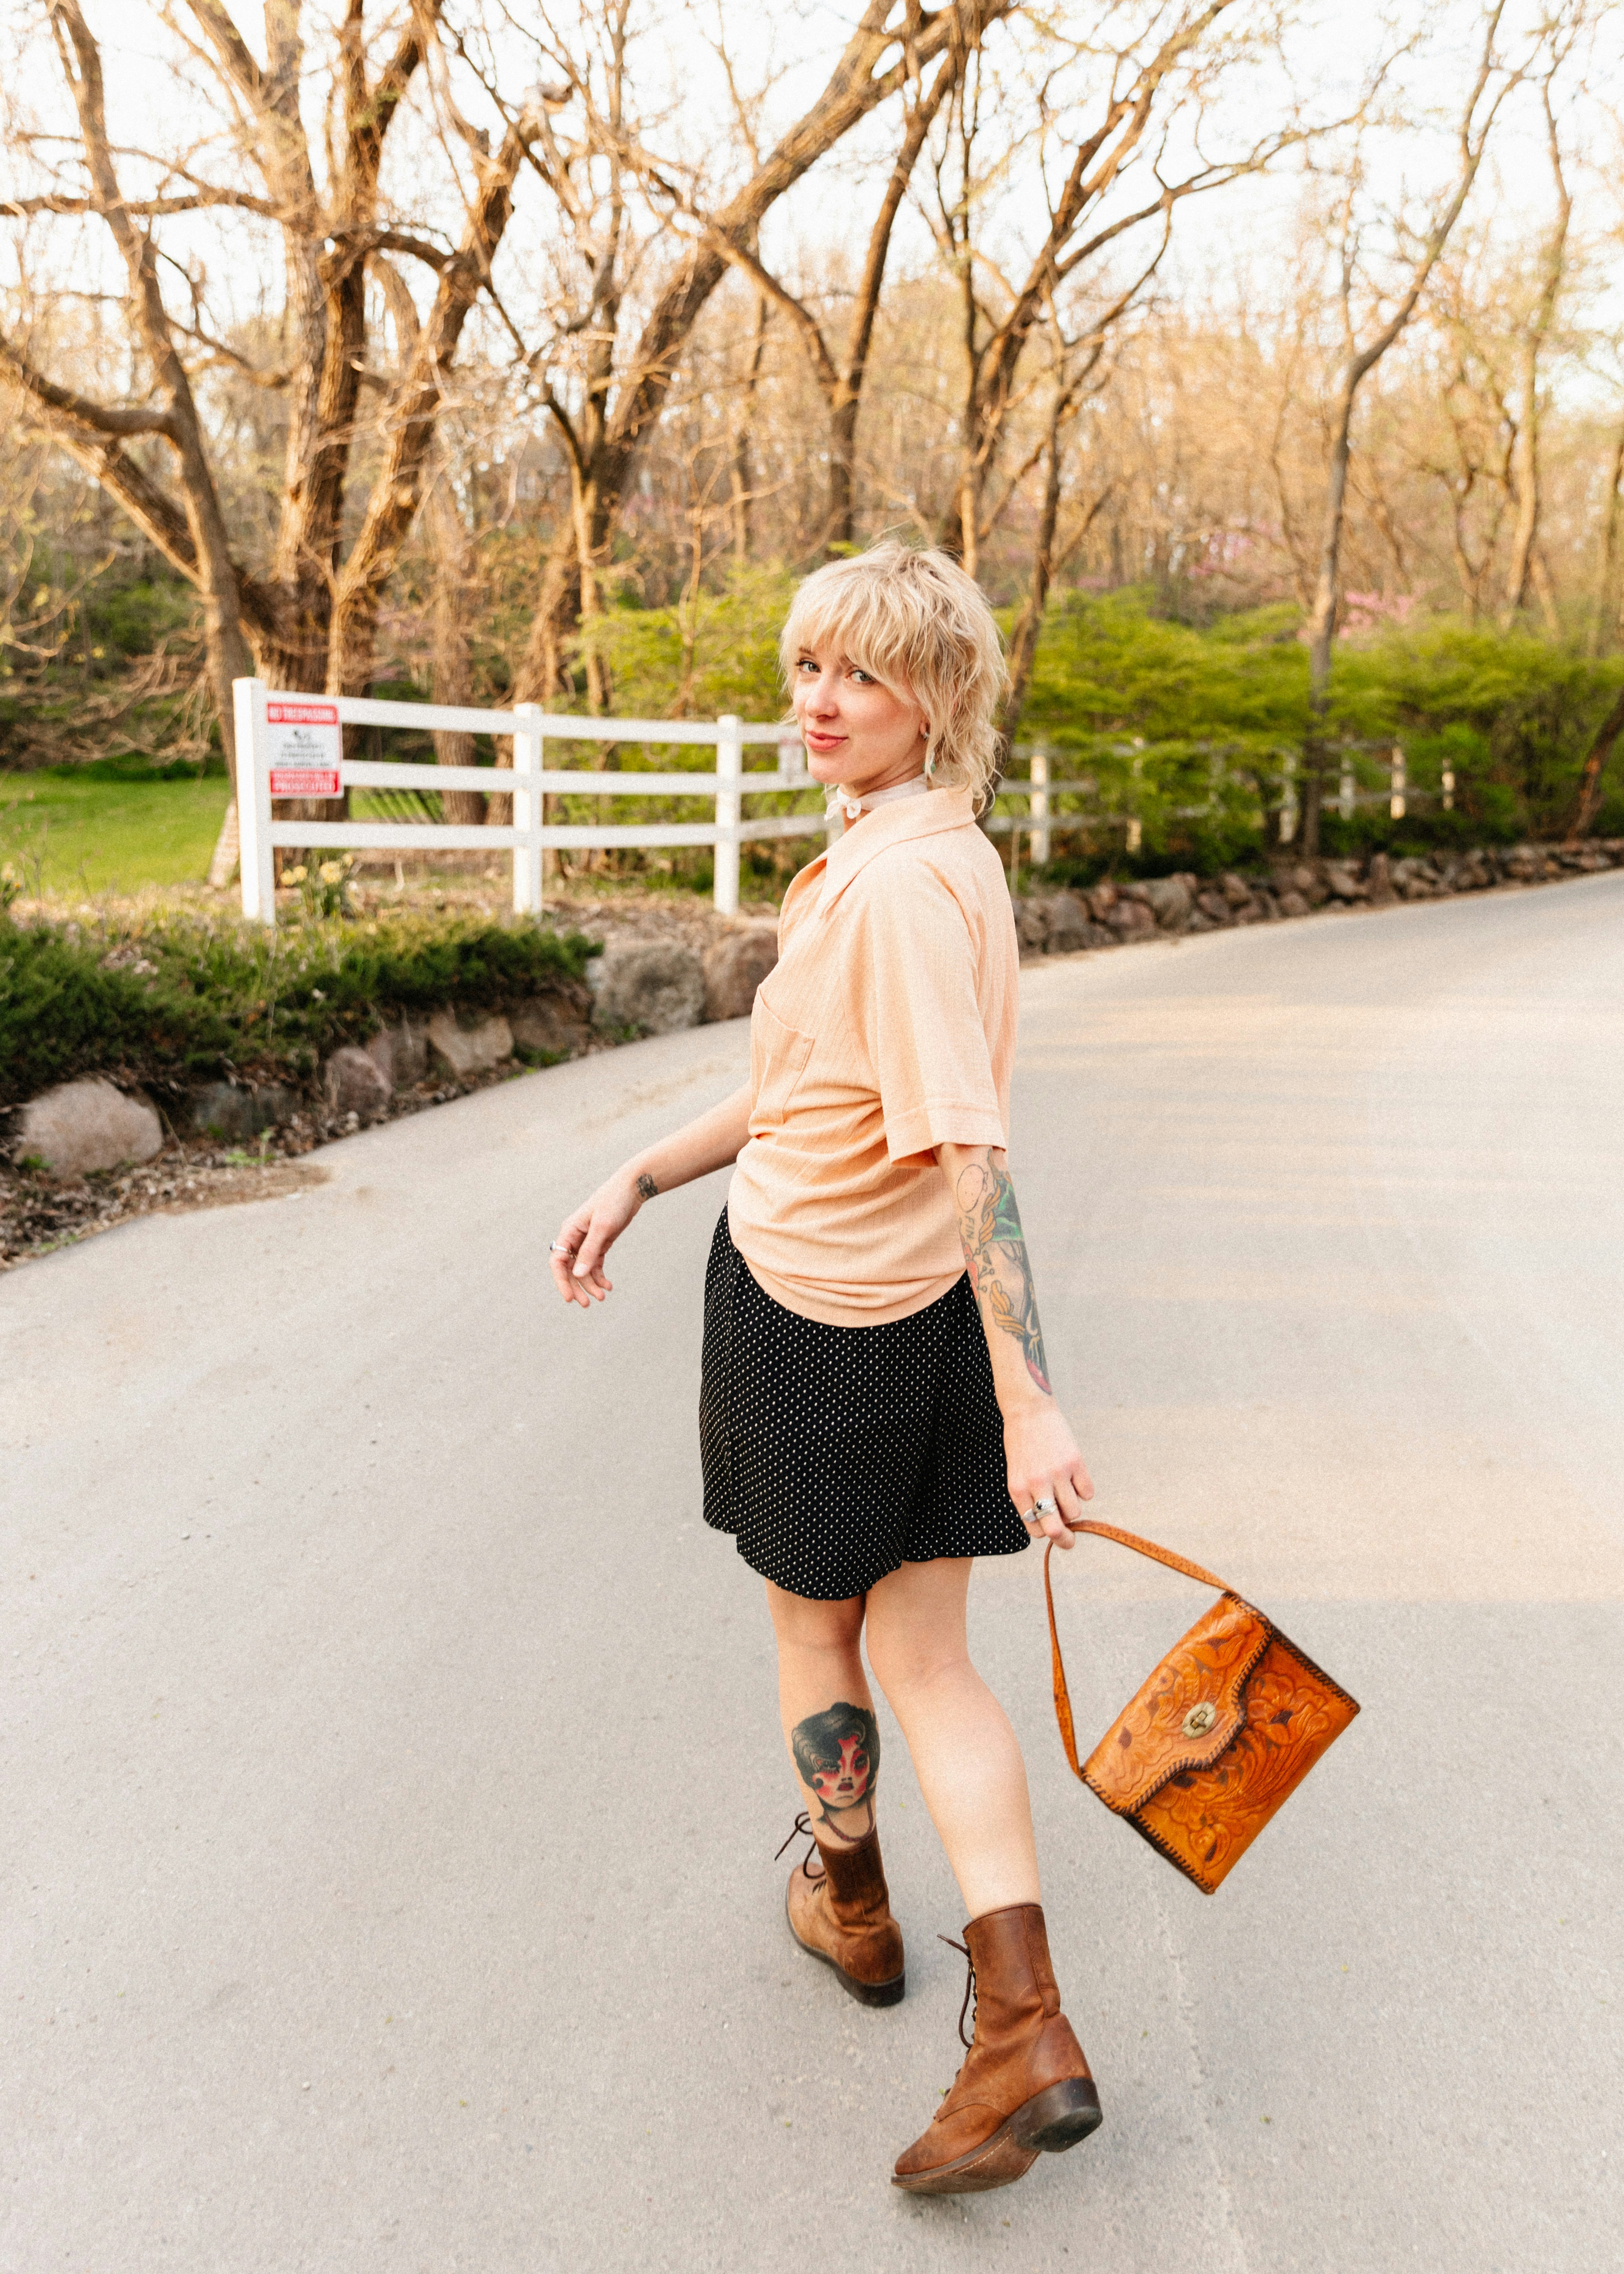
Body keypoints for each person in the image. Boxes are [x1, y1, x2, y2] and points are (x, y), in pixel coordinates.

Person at [549, 541, 1102, 2196]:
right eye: (805, 670)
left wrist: (1029, 1398)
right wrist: (643, 1170)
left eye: (855, 676)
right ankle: (1019, 2020)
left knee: (819, 1629)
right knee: (930, 1656)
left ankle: (863, 1917)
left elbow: (966, 1156)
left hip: (815, 1312)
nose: (815, 703)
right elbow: (810, 1094)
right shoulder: (932, 854)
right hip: (909, 1306)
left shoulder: (884, 894)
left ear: (935, 697)